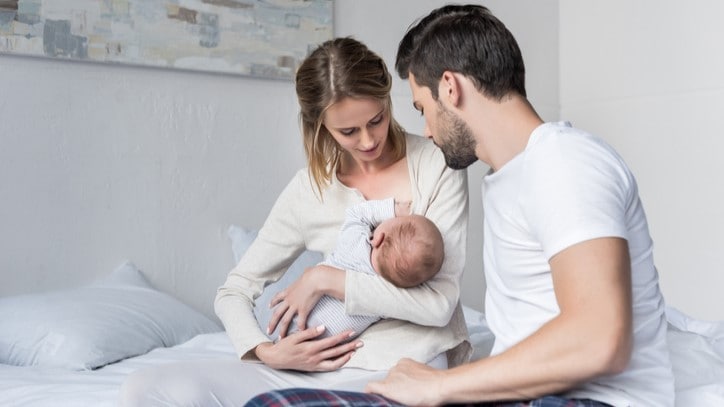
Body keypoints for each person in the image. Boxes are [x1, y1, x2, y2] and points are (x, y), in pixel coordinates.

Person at [244, 4, 675, 407]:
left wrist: (442, 385)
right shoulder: (510, 179)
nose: (426, 132)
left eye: (422, 108)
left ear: (449, 88)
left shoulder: (563, 162)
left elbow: (599, 338)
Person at [119, 36, 470, 406]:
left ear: (386, 100)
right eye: (348, 132)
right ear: (320, 127)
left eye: (376, 120)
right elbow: (233, 291)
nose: (368, 141)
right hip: (315, 367)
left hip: (406, 365)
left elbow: (438, 306)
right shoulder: (309, 190)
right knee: (143, 388)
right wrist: (263, 351)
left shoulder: (436, 165)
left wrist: (326, 279)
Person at [278, 197, 445, 341]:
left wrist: (395, 209)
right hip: (314, 343)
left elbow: (357, 213)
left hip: (289, 312)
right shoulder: (384, 299)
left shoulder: (354, 240)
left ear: (378, 238)